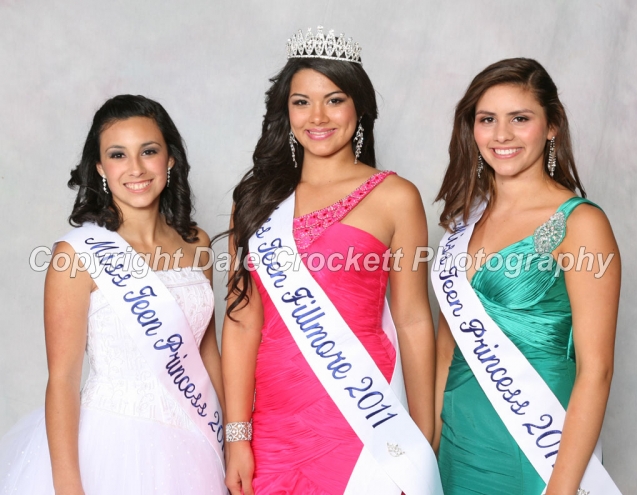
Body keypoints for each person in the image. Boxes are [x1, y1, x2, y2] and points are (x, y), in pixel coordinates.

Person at [220, 27, 442, 495]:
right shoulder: (257, 200)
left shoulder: (395, 197)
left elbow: (414, 320)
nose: (317, 116)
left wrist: (422, 436)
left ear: (359, 108)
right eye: (301, 101)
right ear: (285, 110)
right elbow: (241, 324)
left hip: (365, 415)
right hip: (274, 426)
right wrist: (236, 436)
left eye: (334, 99)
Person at [0, 95, 226, 494]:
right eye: (119, 155)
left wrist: (236, 434)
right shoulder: (76, 255)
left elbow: (206, 351)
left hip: (196, 438)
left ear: (169, 160)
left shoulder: (198, 244)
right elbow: (64, 380)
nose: (136, 168)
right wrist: (68, 484)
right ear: (101, 168)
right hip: (113, 444)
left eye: (149, 151)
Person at [432, 58, 621, 494]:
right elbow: (446, 354)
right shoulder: (462, 222)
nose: (501, 135)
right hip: (459, 443)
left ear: (552, 125)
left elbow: (597, 370)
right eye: (487, 119)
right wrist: (430, 454)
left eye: (520, 118)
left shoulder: (581, 224)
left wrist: (560, 490)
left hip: (541, 441)